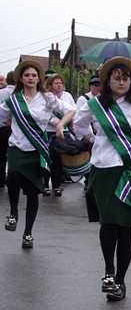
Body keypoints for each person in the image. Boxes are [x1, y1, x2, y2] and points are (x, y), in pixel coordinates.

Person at [56, 56, 131, 301]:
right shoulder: (96, 104)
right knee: (108, 222)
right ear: (107, 81)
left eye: (125, 77)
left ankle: (120, 280)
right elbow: (79, 125)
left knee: (125, 230)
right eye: (116, 77)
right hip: (104, 170)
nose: (121, 82)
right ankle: (108, 273)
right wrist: (94, 140)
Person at [0, 60, 76, 248]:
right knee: (13, 176)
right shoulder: (13, 100)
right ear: (21, 78)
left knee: (33, 192)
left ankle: (28, 233)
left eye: (34, 75)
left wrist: (60, 123)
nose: (31, 78)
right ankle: (13, 213)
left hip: (37, 149)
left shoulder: (47, 98)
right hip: (17, 147)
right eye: (27, 75)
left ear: (39, 78)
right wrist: (10, 123)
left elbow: (70, 110)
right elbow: (2, 118)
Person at [43, 73, 76, 196]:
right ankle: (45, 185)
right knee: (48, 159)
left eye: (61, 83)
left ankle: (57, 185)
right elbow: (43, 114)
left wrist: (71, 125)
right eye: (56, 83)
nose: (59, 85)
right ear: (50, 86)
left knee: (59, 160)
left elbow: (73, 110)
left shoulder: (67, 96)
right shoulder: (46, 97)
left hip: (63, 133)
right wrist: (54, 121)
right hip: (49, 132)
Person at [0, 71, 15, 188]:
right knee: (14, 154)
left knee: (1, 154)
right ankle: (13, 178)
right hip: (17, 129)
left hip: (3, 128)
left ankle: (1, 178)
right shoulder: (20, 93)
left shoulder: (1, 93)